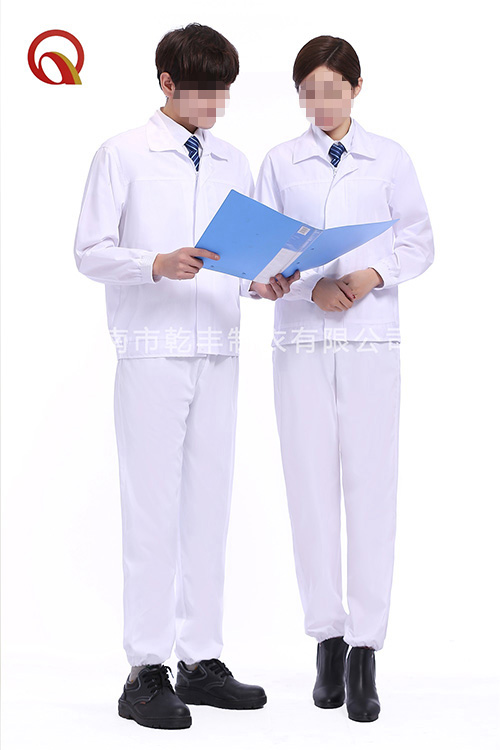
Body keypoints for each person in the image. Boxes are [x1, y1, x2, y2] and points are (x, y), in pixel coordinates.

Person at [73, 22, 298, 731]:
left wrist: (263, 284)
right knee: (151, 512)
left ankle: (200, 661)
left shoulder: (234, 160)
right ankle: (145, 671)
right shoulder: (122, 154)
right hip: (152, 350)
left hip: (219, 349)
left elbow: (243, 260)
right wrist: (153, 263)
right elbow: (88, 251)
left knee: (208, 508)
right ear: (167, 83)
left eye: (223, 93)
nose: (214, 106)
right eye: (203, 92)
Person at [254, 35, 434, 722]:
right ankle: (327, 641)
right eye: (308, 92)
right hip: (302, 341)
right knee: (309, 490)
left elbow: (418, 241)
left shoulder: (390, 158)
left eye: (332, 89)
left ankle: (364, 652)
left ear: (356, 88)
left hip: (369, 340)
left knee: (369, 490)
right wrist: (305, 288)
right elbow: (257, 261)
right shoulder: (279, 162)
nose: (320, 103)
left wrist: (371, 274)